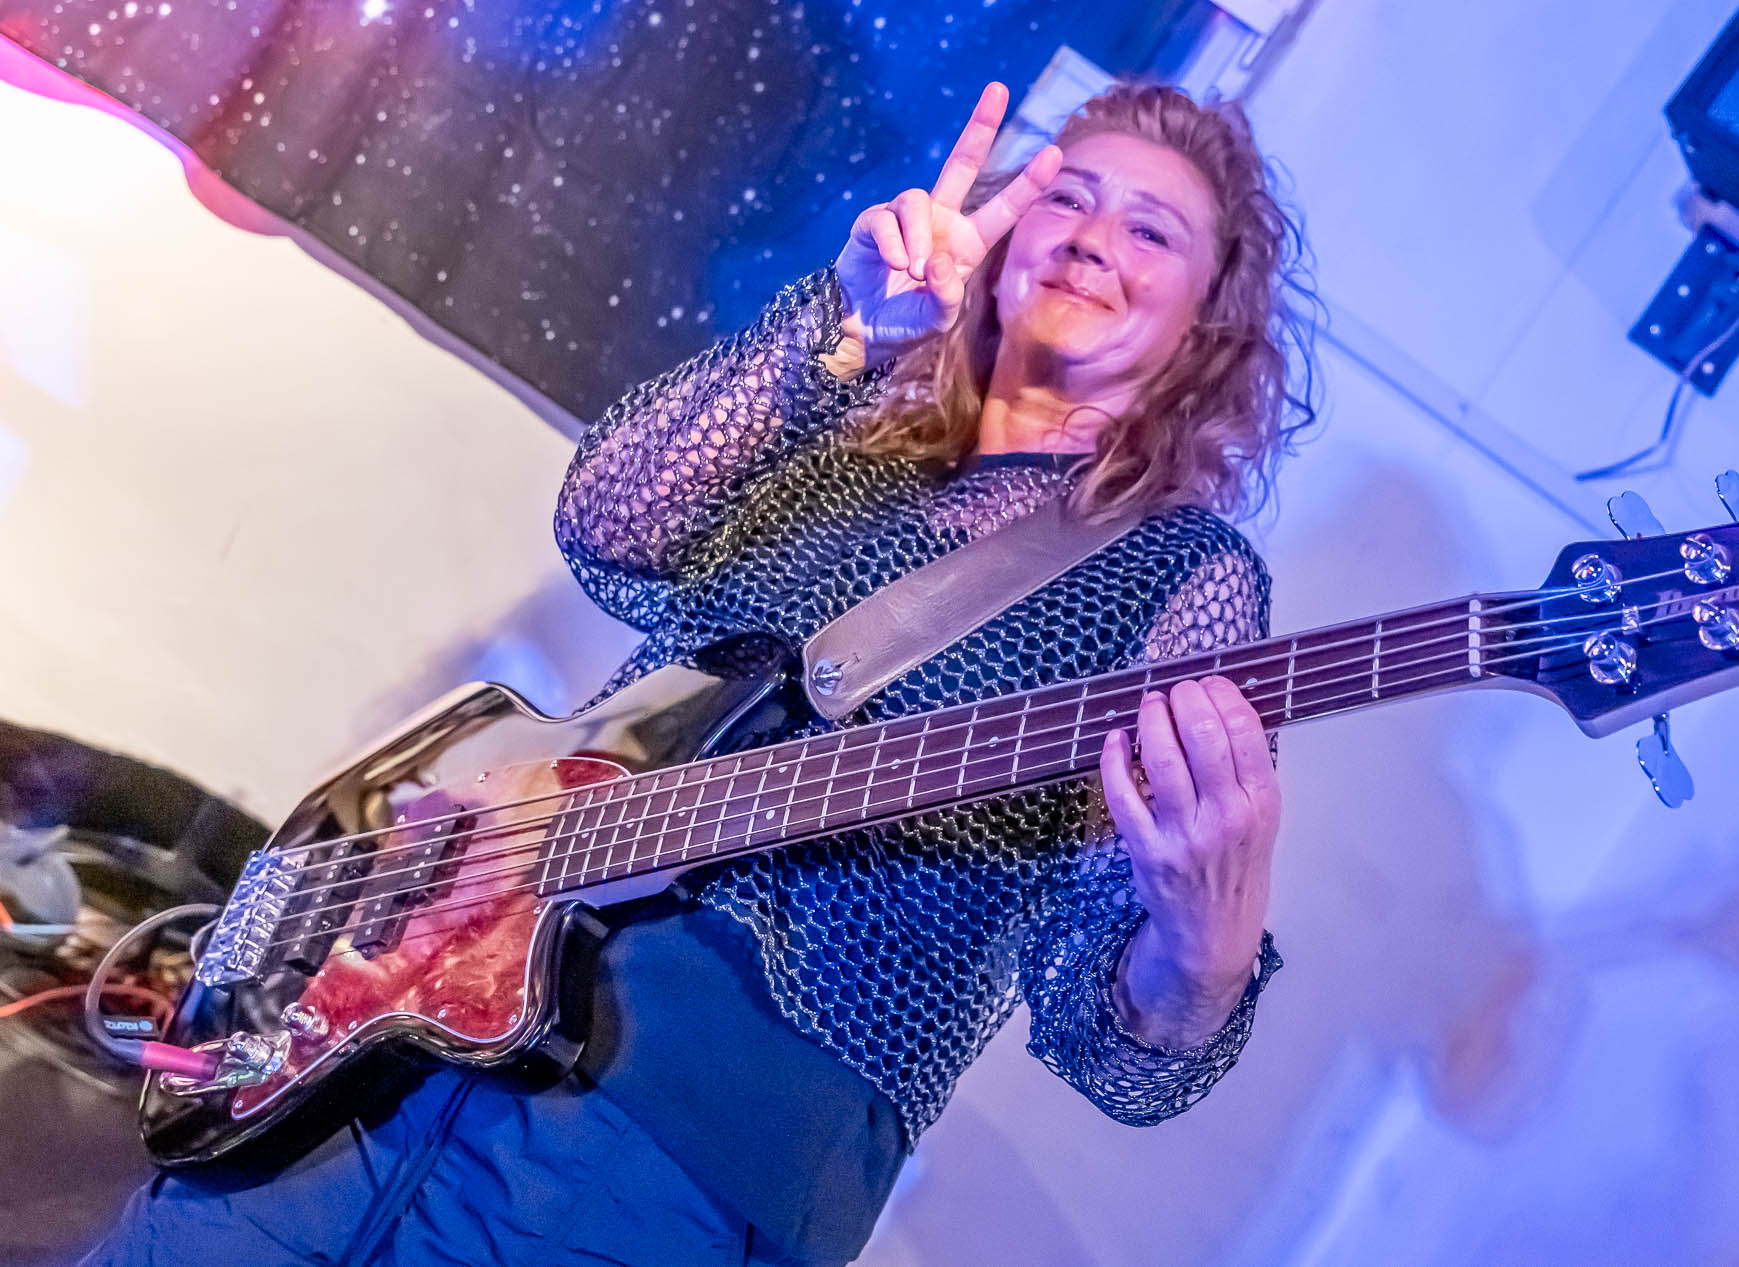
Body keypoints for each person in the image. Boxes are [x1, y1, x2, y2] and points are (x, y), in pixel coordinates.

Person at [89, 78, 1316, 1267]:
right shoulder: (850, 445)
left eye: (1151, 229)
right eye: (1068, 197)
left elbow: (1110, 1034)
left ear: (1207, 325)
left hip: (677, 1155)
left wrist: (1202, 954)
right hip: (425, 995)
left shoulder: (1181, 576)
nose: (1092, 237)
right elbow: (609, 523)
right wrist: (841, 326)